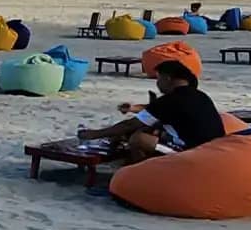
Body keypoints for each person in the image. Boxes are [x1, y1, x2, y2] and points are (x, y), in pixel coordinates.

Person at [79, 61, 224, 162]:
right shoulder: (200, 95)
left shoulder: (171, 100)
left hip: (195, 152)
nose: (157, 83)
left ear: (167, 78)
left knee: (138, 139)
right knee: (149, 128)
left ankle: (142, 174)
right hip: (215, 148)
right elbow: (153, 113)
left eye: (158, 78)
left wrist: (94, 134)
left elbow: (129, 125)